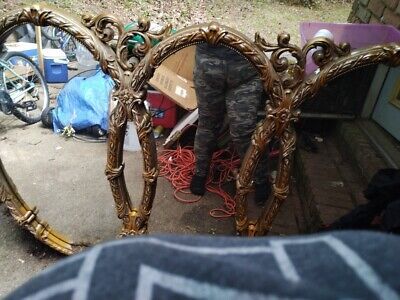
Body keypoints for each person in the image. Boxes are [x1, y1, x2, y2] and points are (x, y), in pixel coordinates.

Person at [190, 43, 270, 205]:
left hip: (246, 69)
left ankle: (261, 178)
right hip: (208, 63)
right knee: (207, 123)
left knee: (243, 130)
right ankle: (200, 172)